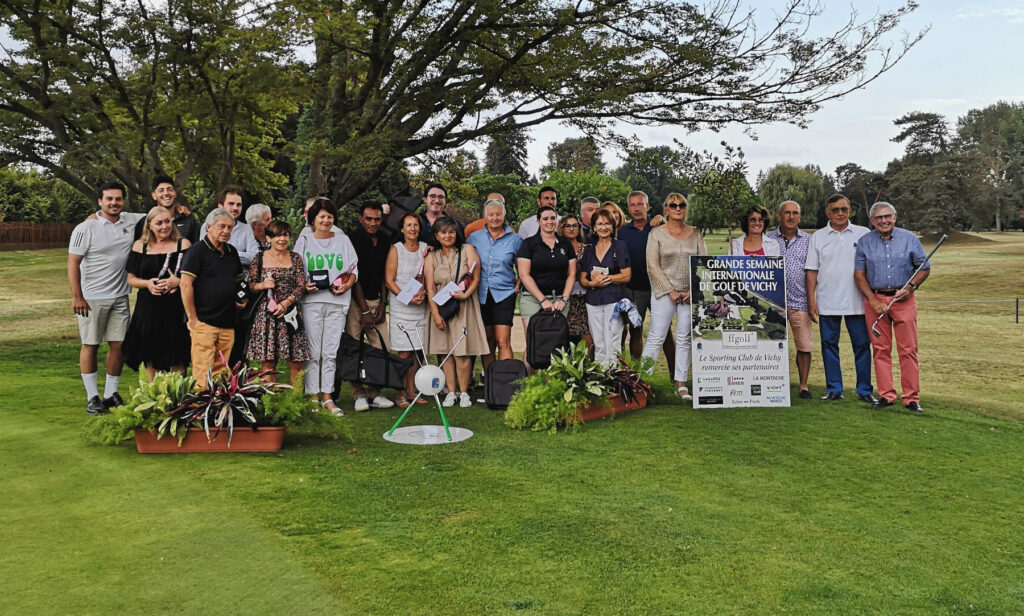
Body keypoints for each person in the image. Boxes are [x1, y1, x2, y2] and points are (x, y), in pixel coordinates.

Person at [68, 182, 147, 414]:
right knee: (90, 345)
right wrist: (77, 296)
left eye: (118, 199)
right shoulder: (85, 228)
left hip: (120, 296)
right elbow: (73, 262)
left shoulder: (130, 221)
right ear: (100, 201)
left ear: (123, 201)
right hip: (91, 298)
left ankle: (110, 394)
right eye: (109, 199)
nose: (114, 203)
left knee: (119, 345)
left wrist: (180, 209)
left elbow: (157, 214)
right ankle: (92, 397)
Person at [854, 202, 931, 413]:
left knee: (908, 350)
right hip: (876, 300)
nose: (883, 220)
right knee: (880, 350)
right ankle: (886, 395)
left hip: (903, 299)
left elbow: (924, 268)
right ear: (872, 221)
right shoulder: (864, 242)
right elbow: (859, 275)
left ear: (895, 217)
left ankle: (911, 397)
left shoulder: (909, 239)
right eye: (878, 218)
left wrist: (911, 287)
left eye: (887, 216)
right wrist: (873, 300)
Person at [805, 194, 875, 403]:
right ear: (828, 213)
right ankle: (834, 389)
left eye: (844, 209)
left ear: (849, 211)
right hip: (828, 302)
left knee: (862, 346)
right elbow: (811, 270)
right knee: (829, 346)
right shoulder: (818, 236)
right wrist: (811, 300)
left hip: (858, 303)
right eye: (835, 210)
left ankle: (865, 390)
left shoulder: (863, 233)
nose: (840, 213)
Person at [292, 199, 358, 415]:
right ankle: (312, 397)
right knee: (313, 352)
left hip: (337, 302)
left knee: (330, 352)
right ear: (312, 219)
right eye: (321, 216)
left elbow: (354, 270)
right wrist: (305, 285)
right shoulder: (303, 241)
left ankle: (327, 397)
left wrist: (347, 284)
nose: (326, 220)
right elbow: (295, 270)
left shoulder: (344, 240)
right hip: (312, 302)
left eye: (329, 216)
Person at [641, 193, 707, 401]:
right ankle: (641, 382)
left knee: (684, 337)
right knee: (656, 336)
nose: (678, 208)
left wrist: (692, 290)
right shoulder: (656, 234)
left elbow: (703, 263)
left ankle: (681, 384)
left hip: (689, 293)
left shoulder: (696, 234)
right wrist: (670, 290)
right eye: (673, 205)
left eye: (682, 205)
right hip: (663, 293)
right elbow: (652, 265)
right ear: (666, 209)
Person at [424, 217, 489, 408]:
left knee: (462, 351)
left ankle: (464, 393)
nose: (447, 235)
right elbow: (430, 287)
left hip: (463, 305)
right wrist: (435, 314)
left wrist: (466, 294)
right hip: (440, 306)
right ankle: (451, 392)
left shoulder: (467, 249)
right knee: (444, 352)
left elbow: (476, 276)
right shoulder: (431, 256)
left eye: (451, 231)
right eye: (443, 232)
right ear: (436, 235)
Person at [123, 207, 192, 381]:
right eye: (159, 223)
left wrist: (177, 281)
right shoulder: (140, 246)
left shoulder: (183, 244)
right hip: (148, 308)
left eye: (167, 221)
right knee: (150, 355)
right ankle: (154, 398)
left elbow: (193, 276)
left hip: (174, 308)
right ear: (150, 225)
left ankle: (178, 399)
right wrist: (147, 283)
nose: (164, 226)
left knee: (177, 354)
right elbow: (130, 279)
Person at [180, 208, 247, 388]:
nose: (226, 231)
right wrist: (193, 319)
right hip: (203, 321)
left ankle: (217, 409)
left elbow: (238, 280)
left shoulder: (232, 252)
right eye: (221, 226)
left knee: (222, 372)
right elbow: (185, 284)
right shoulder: (196, 251)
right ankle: (199, 411)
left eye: (230, 227)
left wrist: (241, 297)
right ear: (208, 227)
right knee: (202, 372)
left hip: (227, 322)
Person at [245, 220, 310, 389]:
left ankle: (296, 402)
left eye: (286, 235)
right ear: (268, 238)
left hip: (290, 314)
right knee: (268, 363)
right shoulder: (259, 258)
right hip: (267, 316)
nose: (282, 239)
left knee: (297, 361)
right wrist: (263, 285)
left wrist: (286, 304)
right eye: (277, 235)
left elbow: (300, 285)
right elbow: (251, 285)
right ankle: (270, 403)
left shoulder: (295, 258)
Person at [346, 203, 395, 412]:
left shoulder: (385, 239)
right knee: (354, 347)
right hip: (356, 301)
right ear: (360, 218)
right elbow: (353, 275)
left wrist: (383, 303)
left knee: (382, 348)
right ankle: (358, 394)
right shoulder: (351, 240)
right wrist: (365, 310)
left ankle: (374, 392)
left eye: (377, 219)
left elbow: (386, 273)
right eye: (369, 219)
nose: (373, 223)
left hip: (377, 298)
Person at [619, 191, 674, 370]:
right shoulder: (623, 232)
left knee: (665, 333)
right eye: (632, 205)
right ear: (628, 208)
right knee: (636, 330)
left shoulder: (658, 227)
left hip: (659, 288)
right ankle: (636, 374)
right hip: (636, 289)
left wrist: (663, 219)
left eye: (640, 204)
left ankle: (675, 377)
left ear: (647, 206)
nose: (636, 208)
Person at [765, 201, 815, 399]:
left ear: (800, 217)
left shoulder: (809, 241)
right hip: (773, 302)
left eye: (795, 213)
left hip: (800, 301)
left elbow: (813, 271)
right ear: (779, 216)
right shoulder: (768, 239)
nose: (791, 217)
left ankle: (803, 386)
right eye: (787, 213)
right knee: (770, 343)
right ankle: (771, 382)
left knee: (804, 346)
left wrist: (811, 301)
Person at [467, 198, 523, 371]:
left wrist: (519, 282)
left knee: (502, 341)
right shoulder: (473, 238)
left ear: (503, 215)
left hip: (504, 294)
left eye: (498, 214)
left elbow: (522, 265)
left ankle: (506, 384)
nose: (495, 218)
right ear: (485, 216)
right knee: (487, 341)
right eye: (491, 215)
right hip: (480, 294)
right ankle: (490, 385)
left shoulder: (515, 239)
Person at [385, 213, 430, 408]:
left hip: (420, 306)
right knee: (403, 353)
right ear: (402, 229)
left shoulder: (425, 249)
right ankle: (399, 393)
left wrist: (423, 295)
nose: (412, 228)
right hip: (401, 307)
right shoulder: (396, 250)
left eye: (416, 225)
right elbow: (389, 280)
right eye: (408, 225)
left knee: (415, 353)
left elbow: (429, 275)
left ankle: (412, 392)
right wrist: (408, 298)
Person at [579, 210, 631, 367]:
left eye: (607, 223)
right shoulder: (589, 250)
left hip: (613, 300)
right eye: (599, 224)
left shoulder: (619, 246)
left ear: (613, 226)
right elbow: (582, 278)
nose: (603, 227)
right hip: (593, 301)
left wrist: (608, 278)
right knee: (599, 343)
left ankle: (615, 380)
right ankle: (602, 382)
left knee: (612, 342)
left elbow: (626, 275)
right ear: (593, 227)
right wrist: (591, 283)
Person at [517, 205, 576, 326]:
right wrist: (542, 300)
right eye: (545, 219)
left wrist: (564, 299)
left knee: (557, 342)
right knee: (534, 341)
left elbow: (572, 274)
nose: (549, 222)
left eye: (553, 218)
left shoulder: (566, 244)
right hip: (532, 299)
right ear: (538, 221)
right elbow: (524, 275)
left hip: (559, 299)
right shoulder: (528, 244)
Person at [557, 215, 593, 352]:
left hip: (585, 295)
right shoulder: (557, 248)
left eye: (575, 225)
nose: (572, 229)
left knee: (586, 333)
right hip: (565, 296)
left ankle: (590, 368)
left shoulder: (588, 248)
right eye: (568, 225)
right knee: (564, 334)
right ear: (561, 228)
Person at [199, 185, 260, 266]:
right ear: (220, 206)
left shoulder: (246, 229)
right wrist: (241, 255)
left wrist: (228, 253)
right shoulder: (209, 226)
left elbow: (254, 257)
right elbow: (206, 253)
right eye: (231, 204)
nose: (235, 208)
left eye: (238, 205)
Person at [134, 175, 199, 243]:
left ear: (175, 193)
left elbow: (196, 248)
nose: (166, 193)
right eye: (161, 190)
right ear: (154, 195)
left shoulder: (188, 220)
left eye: (170, 189)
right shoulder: (145, 222)